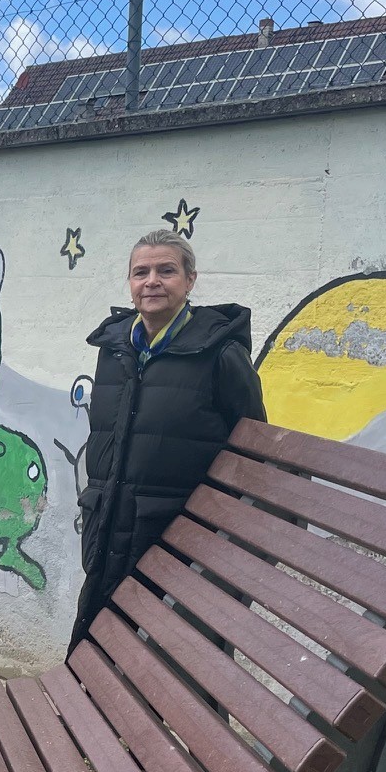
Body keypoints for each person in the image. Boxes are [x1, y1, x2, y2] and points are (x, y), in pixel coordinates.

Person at [70, 228, 264, 649]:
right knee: (98, 642)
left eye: (166, 270)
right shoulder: (115, 348)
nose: (151, 281)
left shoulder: (219, 353)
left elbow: (252, 449)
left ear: (190, 280)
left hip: (176, 534)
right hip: (107, 524)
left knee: (167, 655)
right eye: (140, 272)